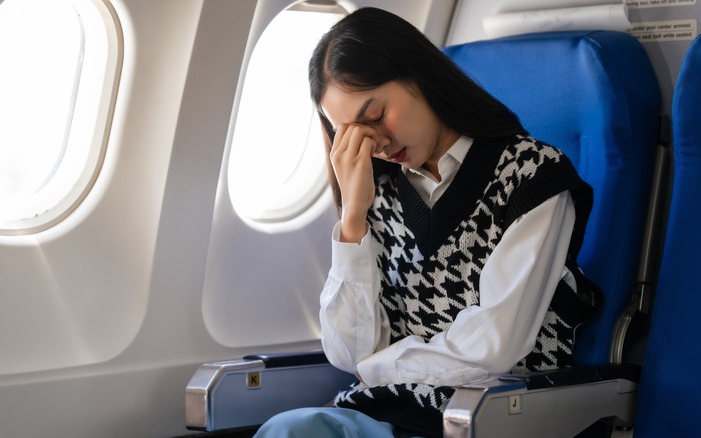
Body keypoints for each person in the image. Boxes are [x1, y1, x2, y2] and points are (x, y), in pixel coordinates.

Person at [255, 7, 600, 438]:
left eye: (375, 116)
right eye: (350, 134)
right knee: (288, 430)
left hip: (492, 418)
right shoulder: (375, 191)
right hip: (387, 414)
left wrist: (381, 366)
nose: (373, 143)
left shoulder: (532, 175)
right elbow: (348, 352)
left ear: (418, 76)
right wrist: (353, 219)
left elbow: (493, 347)